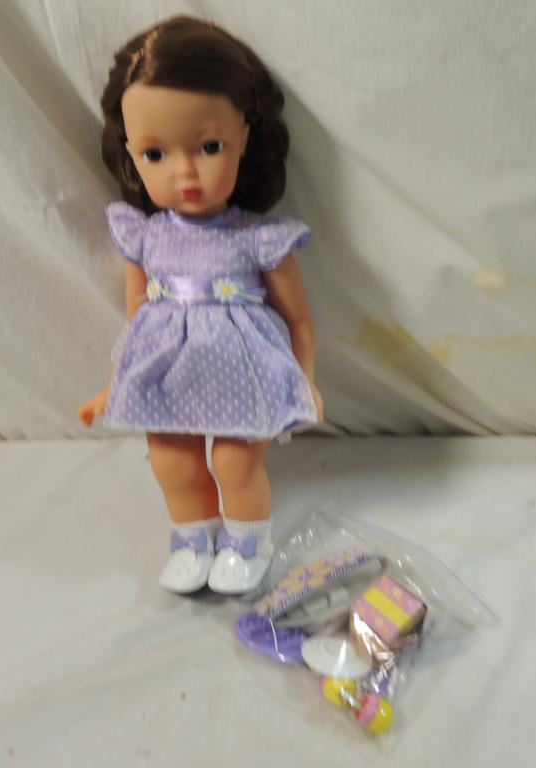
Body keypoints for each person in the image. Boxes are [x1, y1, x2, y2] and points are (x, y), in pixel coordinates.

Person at [79, 15, 323, 595]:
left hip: (243, 372)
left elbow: (298, 318)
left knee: (236, 463)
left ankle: (247, 543)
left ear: (246, 138)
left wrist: (306, 380)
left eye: (210, 147)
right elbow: (140, 320)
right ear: (130, 155)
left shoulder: (257, 238)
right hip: (168, 372)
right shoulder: (144, 237)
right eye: (155, 154)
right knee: (172, 462)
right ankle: (193, 541)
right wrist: (116, 384)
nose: (185, 172)